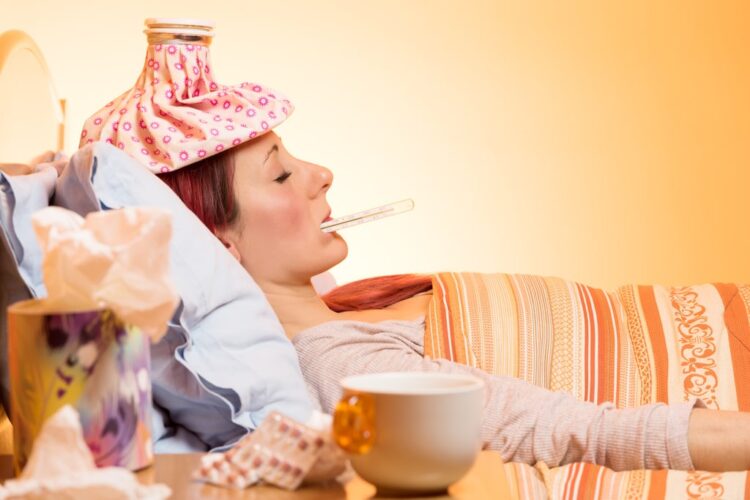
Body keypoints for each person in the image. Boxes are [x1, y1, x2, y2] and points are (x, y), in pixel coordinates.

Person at [79, 22, 750, 473]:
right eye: (281, 175)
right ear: (215, 246)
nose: (321, 175)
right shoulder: (346, 369)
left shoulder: (344, 317)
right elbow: (586, 427)